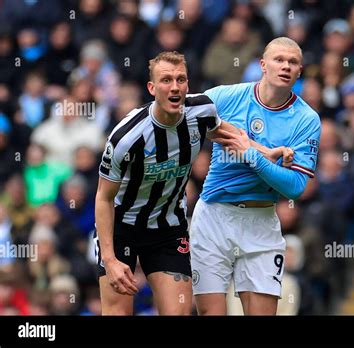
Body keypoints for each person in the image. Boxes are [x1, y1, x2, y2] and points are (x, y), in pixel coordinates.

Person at [94, 51, 292, 315]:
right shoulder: (126, 138)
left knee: (179, 311)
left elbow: (225, 132)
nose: (174, 87)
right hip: (121, 228)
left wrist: (264, 152)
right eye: (166, 80)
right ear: (152, 88)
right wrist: (109, 259)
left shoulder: (201, 111)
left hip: (167, 228)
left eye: (180, 79)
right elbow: (103, 198)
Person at [190, 37, 322, 315]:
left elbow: (296, 187)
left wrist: (250, 154)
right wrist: (260, 149)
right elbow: (179, 113)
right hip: (213, 217)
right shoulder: (226, 96)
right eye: (279, 60)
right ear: (263, 65)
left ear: (299, 71)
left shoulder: (306, 120)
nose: (285, 66)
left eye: (293, 62)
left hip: (260, 221)